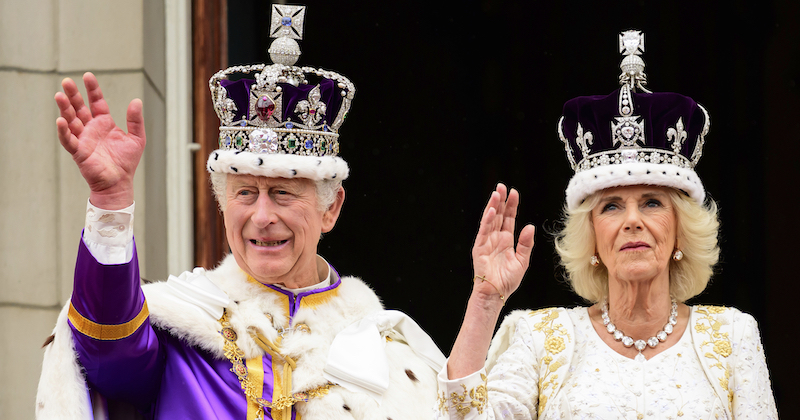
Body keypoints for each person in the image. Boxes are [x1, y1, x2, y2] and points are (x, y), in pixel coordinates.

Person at [36, 5, 446, 419]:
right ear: (222, 203)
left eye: (283, 193)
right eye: (246, 193)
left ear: (330, 208)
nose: (262, 216)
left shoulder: (386, 355)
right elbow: (107, 348)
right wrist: (111, 201)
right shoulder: (182, 327)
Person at [435, 30, 778, 419]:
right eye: (611, 207)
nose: (632, 221)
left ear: (681, 228)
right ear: (592, 236)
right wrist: (485, 301)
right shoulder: (541, 339)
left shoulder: (732, 337)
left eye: (651, 203)